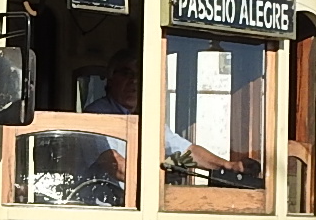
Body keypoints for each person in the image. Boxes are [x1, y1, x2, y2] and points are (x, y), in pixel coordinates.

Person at [85, 49, 249, 176]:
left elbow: (184, 150)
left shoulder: (145, 117)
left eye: (139, 75)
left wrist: (227, 165)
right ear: (111, 78)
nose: (134, 81)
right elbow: (117, 167)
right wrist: (156, 179)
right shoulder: (96, 115)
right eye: (126, 73)